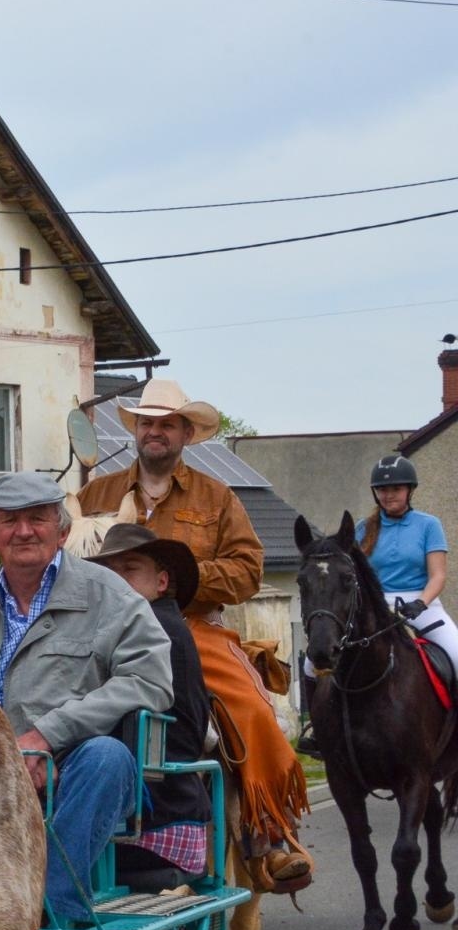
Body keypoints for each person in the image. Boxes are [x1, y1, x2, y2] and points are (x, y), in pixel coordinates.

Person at [78, 377, 312, 894]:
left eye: (166, 424)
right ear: (135, 431)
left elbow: (249, 570)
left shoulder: (217, 496)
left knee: (249, 708)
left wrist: (180, 579)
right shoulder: (96, 492)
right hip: (99, 629)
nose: (154, 432)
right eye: (147, 423)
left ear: (186, 433)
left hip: (190, 626)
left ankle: (267, 833)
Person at [0, 472, 173, 921]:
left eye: (38, 519)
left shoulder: (109, 596)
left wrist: (47, 735)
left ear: (62, 532)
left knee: (108, 756)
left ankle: (49, 910)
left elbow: (151, 679)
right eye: (9, 520)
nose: (24, 531)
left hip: (73, 762)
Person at [300, 455, 458, 751]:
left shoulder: (428, 525)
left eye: (396, 489)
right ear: (376, 493)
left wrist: (421, 603)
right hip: (374, 605)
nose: (389, 495)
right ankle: (318, 730)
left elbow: (438, 576)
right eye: (383, 490)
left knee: (457, 655)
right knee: (311, 664)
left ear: (409, 490)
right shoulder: (362, 529)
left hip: (420, 603)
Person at [88, 524, 214, 887]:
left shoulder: (155, 628)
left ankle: (267, 829)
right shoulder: (139, 624)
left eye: (130, 569)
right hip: (154, 807)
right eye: (109, 571)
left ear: (161, 582)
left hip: (157, 817)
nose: (116, 580)